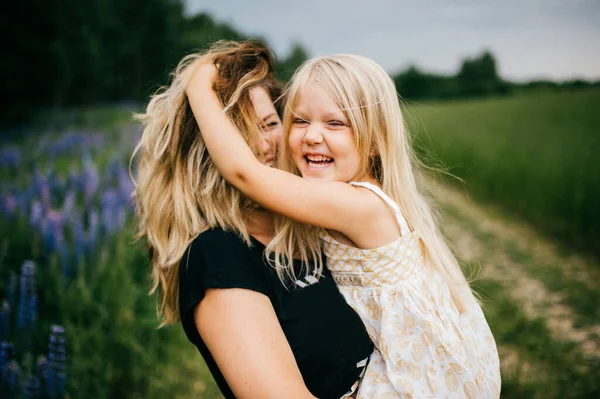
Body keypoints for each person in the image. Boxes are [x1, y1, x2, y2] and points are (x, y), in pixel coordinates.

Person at [186, 52, 502, 398]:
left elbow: (246, 174)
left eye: (335, 123)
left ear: (375, 142)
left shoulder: (358, 205)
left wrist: (198, 85)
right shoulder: (345, 203)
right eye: (301, 121)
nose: (312, 136)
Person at [132, 41, 373, 399]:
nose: (263, 144)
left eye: (270, 123)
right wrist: (199, 82)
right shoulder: (218, 255)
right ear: (213, 147)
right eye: (242, 132)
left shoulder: (321, 223)